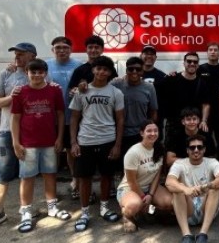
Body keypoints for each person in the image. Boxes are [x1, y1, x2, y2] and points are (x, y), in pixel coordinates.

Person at [0, 42, 37, 233]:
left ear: (32, 56)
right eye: (16, 55)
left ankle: (26, 210)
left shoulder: (39, 73)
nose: (16, 58)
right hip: (6, 131)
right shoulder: (6, 74)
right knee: (2, 172)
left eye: (21, 54)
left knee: (26, 173)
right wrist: (12, 97)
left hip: (30, 132)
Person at [11, 58, 70, 233]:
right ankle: (26, 212)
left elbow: (60, 115)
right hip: (28, 143)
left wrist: (59, 138)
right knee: (27, 177)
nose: (37, 75)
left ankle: (52, 207)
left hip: (49, 142)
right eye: (33, 72)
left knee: (50, 174)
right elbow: (15, 118)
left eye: (40, 72)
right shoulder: (20, 92)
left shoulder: (54, 91)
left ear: (45, 73)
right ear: (27, 73)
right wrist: (16, 142)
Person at [69, 56, 125, 232]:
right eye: (98, 68)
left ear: (110, 73)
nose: (101, 72)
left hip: (107, 139)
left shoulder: (116, 93)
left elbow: (120, 120)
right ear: (93, 70)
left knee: (106, 176)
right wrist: (73, 142)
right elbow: (74, 118)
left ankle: (104, 207)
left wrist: (117, 145)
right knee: (85, 178)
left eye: (106, 70)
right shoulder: (81, 91)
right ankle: (84, 212)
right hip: (85, 140)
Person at [67, 35, 118, 199]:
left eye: (97, 47)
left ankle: (109, 188)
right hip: (85, 127)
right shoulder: (80, 70)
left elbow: (115, 86)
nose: (94, 50)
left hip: (105, 127)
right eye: (90, 47)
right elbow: (71, 92)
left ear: (102, 49)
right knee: (84, 169)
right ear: (86, 49)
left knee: (106, 168)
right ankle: (78, 187)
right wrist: (78, 89)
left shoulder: (110, 69)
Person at [166, 135, 219, 243]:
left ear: (204, 149)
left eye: (199, 147)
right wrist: (185, 189)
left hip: (207, 209)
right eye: (192, 147)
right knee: (177, 189)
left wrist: (207, 186)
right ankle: (186, 235)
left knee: (216, 187)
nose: (196, 150)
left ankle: (203, 235)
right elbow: (169, 181)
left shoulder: (212, 162)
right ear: (187, 150)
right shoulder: (179, 163)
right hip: (187, 209)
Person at [110, 56, 159, 193]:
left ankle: (137, 189)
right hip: (119, 132)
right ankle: (121, 189)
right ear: (126, 70)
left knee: (139, 165)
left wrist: (150, 131)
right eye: (131, 69)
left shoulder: (149, 88)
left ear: (143, 71)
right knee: (120, 164)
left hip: (140, 133)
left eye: (138, 69)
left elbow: (153, 111)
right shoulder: (116, 84)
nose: (134, 72)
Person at [117, 120, 172, 233]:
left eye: (155, 131)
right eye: (149, 131)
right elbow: (131, 182)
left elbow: (157, 176)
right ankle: (127, 215)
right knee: (134, 206)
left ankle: (147, 210)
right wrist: (143, 197)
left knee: (169, 203)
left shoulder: (159, 149)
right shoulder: (133, 152)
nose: (153, 133)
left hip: (149, 187)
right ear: (142, 133)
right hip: (129, 188)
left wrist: (150, 195)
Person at [157, 52, 210, 140]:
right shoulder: (172, 79)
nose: (192, 64)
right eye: (189, 61)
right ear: (184, 63)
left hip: (193, 125)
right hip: (174, 126)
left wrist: (204, 121)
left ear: (198, 65)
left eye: (195, 62)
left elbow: (206, 104)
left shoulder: (202, 83)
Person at [199, 42, 219, 163]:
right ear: (207, 53)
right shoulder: (200, 69)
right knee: (205, 139)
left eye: (215, 50)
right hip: (205, 112)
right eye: (210, 50)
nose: (212, 52)